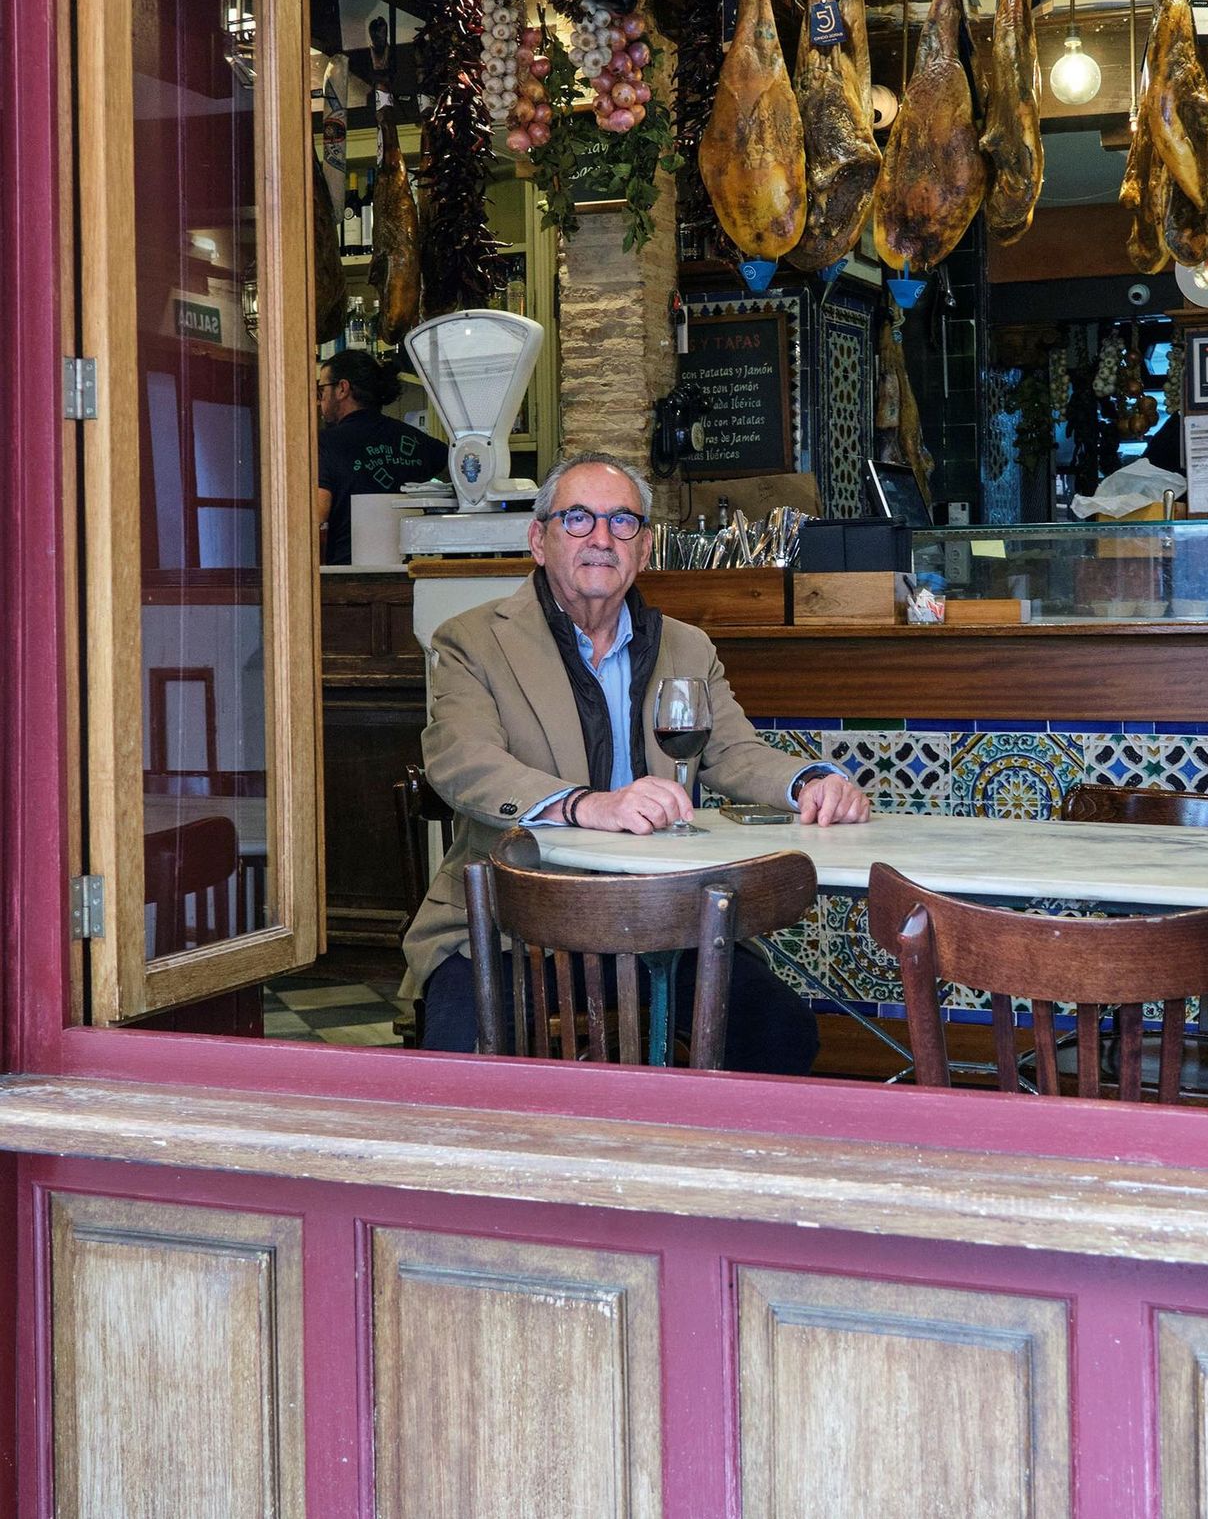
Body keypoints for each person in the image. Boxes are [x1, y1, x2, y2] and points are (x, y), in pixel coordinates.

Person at [405, 450, 871, 1070]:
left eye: (622, 521)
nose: (601, 538)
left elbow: (732, 751)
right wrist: (586, 805)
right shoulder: (472, 640)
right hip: (512, 926)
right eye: (577, 519)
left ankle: (688, 1137)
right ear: (539, 540)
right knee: (458, 1067)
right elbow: (461, 758)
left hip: (662, 921)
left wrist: (810, 780)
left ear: (644, 548)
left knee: (780, 1032)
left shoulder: (686, 645)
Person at [317, 351, 448, 564]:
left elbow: (317, 516)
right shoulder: (416, 440)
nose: (320, 398)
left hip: (348, 573)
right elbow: (461, 474)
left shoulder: (324, 444)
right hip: (414, 569)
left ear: (342, 388)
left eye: (322, 389)